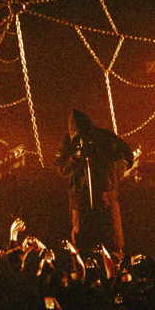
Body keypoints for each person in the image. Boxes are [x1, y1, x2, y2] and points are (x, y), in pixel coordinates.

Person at [54, 109, 134, 259]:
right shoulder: (67, 143)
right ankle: (85, 273)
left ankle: (113, 274)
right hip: (81, 201)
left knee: (113, 242)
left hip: (106, 197)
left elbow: (127, 155)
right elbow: (60, 168)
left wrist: (116, 172)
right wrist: (76, 157)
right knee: (82, 243)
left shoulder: (105, 137)